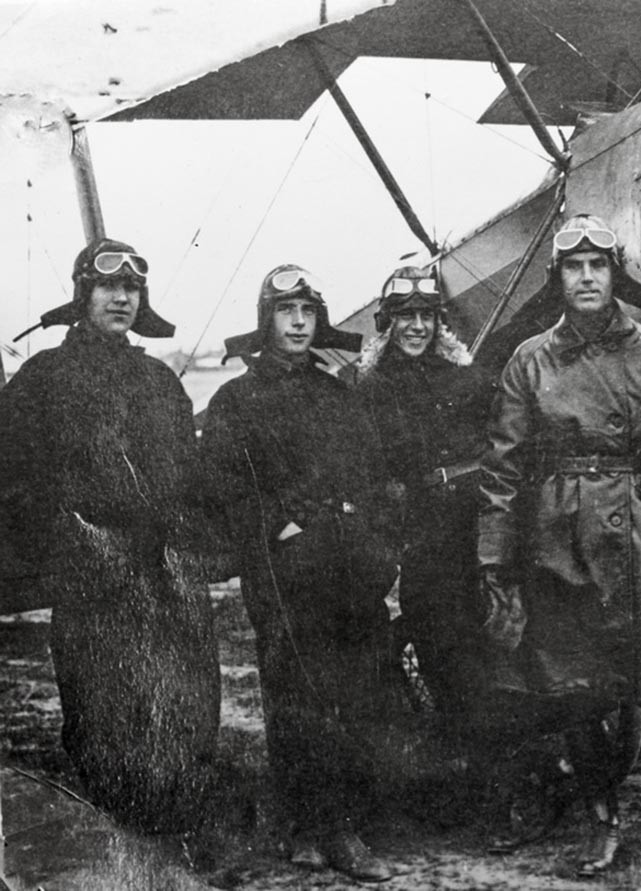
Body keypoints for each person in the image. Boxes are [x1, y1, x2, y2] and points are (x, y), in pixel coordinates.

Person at [477, 214, 641, 887]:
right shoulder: (528, 360)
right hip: (558, 545)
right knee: (575, 695)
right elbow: (503, 471)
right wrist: (496, 566)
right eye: (575, 267)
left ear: (615, 274)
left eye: (599, 265)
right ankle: (603, 821)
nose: (588, 277)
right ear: (559, 279)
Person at [0, 238, 220, 831]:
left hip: (164, 566)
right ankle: (114, 833)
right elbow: (11, 475)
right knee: (102, 710)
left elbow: (190, 476)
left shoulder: (158, 380)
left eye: (132, 288)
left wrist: (183, 547)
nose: (122, 297)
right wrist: (65, 537)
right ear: (83, 293)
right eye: (108, 286)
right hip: (89, 568)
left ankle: (179, 829)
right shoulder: (43, 378)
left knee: (181, 701)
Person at [201, 265, 405, 883]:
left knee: (358, 693)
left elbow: (374, 480)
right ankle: (314, 825)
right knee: (295, 698)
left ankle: (336, 823)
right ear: (267, 320)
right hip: (286, 571)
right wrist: (276, 526)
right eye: (285, 310)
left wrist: (375, 549)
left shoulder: (340, 397)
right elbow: (218, 486)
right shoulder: (236, 400)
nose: (297, 322)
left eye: (307, 311)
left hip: (350, 567)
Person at [355, 263, 494, 748]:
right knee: (438, 644)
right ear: (387, 322)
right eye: (405, 315)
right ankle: (460, 753)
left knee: (485, 646)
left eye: (427, 316)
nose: (417, 326)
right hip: (420, 535)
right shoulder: (368, 389)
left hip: (474, 526)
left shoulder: (469, 379)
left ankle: (485, 758)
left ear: (439, 322)